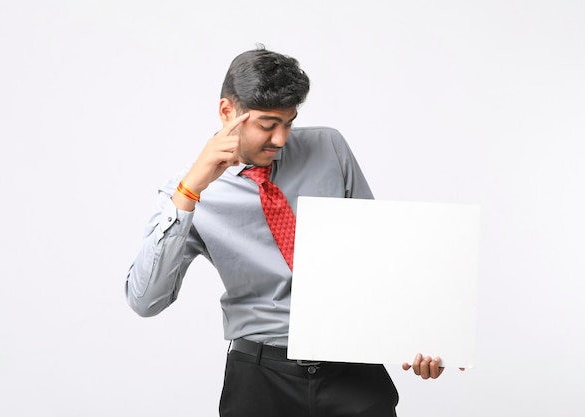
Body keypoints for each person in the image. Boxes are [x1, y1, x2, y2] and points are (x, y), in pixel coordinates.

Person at [126, 46, 449, 417]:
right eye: (267, 124)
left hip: (352, 375)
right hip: (260, 381)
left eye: (289, 122)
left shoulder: (329, 148)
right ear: (227, 112)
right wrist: (190, 190)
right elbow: (145, 300)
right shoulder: (187, 192)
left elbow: (377, 264)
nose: (281, 139)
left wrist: (422, 336)